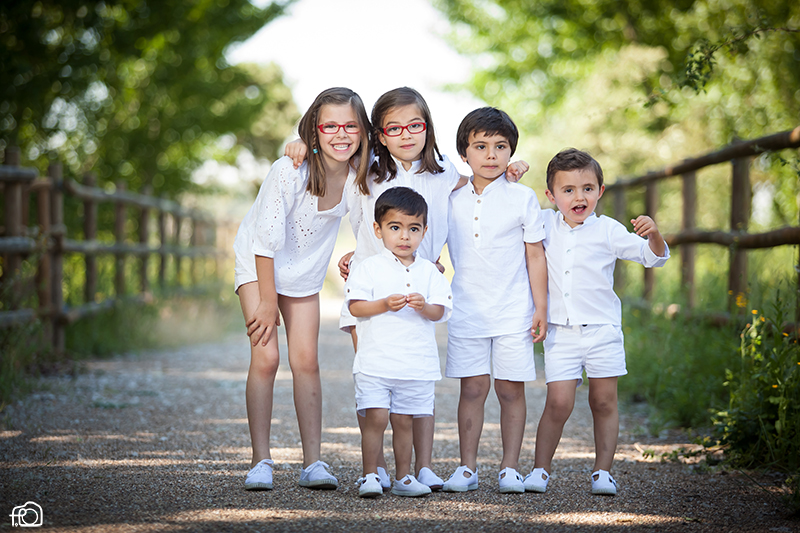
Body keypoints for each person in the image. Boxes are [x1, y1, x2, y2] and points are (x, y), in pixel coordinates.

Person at [285, 87, 529, 492]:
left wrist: (508, 171)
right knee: (374, 379)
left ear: (427, 127)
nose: (406, 135)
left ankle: (422, 466)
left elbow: (479, 181)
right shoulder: (365, 168)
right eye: (394, 128)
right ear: (379, 134)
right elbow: (331, 157)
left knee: (416, 380)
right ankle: (377, 466)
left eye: (415, 125)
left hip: (418, 291)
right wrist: (302, 145)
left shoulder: (443, 171)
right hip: (371, 287)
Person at [232, 87, 371, 491]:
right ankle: (261, 460)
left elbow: (421, 173)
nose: (341, 134)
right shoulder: (289, 171)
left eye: (351, 126)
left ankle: (313, 463)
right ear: (314, 130)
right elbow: (265, 242)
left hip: (305, 271)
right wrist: (267, 301)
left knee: (306, 360)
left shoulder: (360, 175)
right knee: (266, 357)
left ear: (363, 131)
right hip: (259, 263)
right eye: (330, 126)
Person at [526, 148, 669, 496]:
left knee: (603, 401)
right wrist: (511, 174)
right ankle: (540, 470)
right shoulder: (544, 223)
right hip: (561, 331)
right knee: (558, 402)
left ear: (600, 191)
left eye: (588, 189)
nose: (579, 197)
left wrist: (653, 234)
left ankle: (602, 472)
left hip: (602, 330)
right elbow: (513, 214)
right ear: (551, 195)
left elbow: (652, 257)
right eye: (568, 190)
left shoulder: (608, 230)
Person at [442, 107, 547, 494]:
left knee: (510, 389)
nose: (491, 155)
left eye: (500, 147)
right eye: (480, 146)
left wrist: (541, 307)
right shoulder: (451, 198)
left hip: (514, 309)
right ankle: (467, 468)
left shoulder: (523, 197)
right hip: (467, 309)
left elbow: (535, 255)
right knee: (472, 389)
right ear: (464, 154)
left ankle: (509, 468)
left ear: (511, 152)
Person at [346, 187, 453, 498]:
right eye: (395, 227)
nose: (404, 236)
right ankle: (370, 474)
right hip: (375, 362)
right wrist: (383, 304)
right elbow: (355, 307)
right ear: (378, 229)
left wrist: (424, 307)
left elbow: (440, 312)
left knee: (404, 421)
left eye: (413, 229)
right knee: (376, 418)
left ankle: (404, 477)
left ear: (424, 231)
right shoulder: (368, 268)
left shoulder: (429, 272)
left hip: (414, 364)